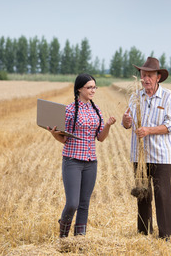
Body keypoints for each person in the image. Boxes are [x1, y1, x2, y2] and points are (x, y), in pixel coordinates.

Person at [48, 73, 116, 238]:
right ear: (79, 89)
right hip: (72, 161)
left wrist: (107, 125)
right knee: (72, 203)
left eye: (94, 87)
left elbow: (100, 138)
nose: (93, 90)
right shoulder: (70, 110)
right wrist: (53, 134)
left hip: (90, 162)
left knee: (84, 204)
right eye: (89, 87)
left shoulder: (96, 110)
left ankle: (80, 239)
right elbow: (63, 138)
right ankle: (63, 237)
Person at [121, 57, 171, 240]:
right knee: (142, 194)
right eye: (143, 75)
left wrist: (149, 131)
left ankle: (167, 234)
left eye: (149, 76)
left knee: (163, 195)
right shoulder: (135, 96)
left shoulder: (168, 96)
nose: (145, 79)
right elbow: (127, 124)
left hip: (161, 155)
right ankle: (144, 231)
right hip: (140, 155)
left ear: (158, 77)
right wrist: (126, 122)